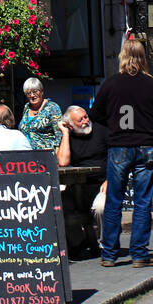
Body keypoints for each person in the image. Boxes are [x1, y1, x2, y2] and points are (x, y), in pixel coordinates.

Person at [91, 37, 153, 267]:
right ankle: (139, 254)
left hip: (118, 147)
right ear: (143, 58)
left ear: (123, 58)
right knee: (142, 201)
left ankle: (109, 255)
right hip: (145, 147)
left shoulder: (111, 84)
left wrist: (114, 124)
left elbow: (96, 114)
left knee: (114, 201)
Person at [56, 104, 108, 257]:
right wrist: (64, 133)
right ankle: (77, 242)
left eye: (86, 117)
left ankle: (106, 245)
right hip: (80, 185)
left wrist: (110, 180)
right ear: (71, 125)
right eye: (80, 120)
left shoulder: (101, 131)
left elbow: (116, 158)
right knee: (60, 204)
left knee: (100, 207)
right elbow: (63, 162)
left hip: (102, 184)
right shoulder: (70, 136)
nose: (86, 121)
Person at [19, 77, 63, 150]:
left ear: (42, 91)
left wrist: (58, 155)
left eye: (35, 91)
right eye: (28, 93)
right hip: (27, 155)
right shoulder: (26, 107)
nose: (32, 95)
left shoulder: (52, 107)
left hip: (46, 154)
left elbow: (59, 135)